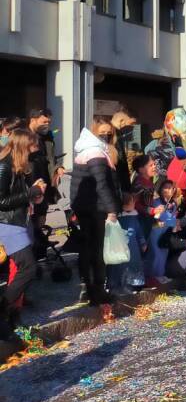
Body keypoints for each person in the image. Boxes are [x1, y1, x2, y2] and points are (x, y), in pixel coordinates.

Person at [69, 120, 122, 305]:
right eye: (102, 132)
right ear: (94, 133)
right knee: (97, 250)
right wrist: (112, 209)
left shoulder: (87, 149)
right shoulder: (96, 153)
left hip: (87, 206)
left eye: (109, 132)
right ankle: (97, 290)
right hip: (96, 207)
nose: (106, 135)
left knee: (88, 248)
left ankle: (88, 287)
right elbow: (102, 184)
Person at [0, 128, 45, 339]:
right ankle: (4, 310)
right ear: (22, 146)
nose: (34, 151)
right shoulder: (4, 166)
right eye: (31, 146)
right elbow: (2, 201)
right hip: (7, 224)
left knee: (25, 267)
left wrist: (33, 194)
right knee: (28, 267)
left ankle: (9, 313)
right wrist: (31, 192)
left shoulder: (17, 166)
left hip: (17, 222)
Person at [27, 108, 63, 259]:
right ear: (33, 119)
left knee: (41, 215)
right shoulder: (23, 135)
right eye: (44, 121)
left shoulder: (47, 136)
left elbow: (50, 157)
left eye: (49, 121)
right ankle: (31, 251)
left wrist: (57, 167)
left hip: (44, 181)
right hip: (29, 181)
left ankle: (40, 246)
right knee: (29, 218)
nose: (47, 124)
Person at [107, 191, 146, 295]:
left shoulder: (134, 216)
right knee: (119, 266)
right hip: (120, 247)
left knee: (133, 264)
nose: (134, 205)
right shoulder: (116, 218)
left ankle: (133, 284)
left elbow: (138, 230)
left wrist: (142, 242)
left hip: (132, 248)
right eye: (132, 202)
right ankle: (115, 285)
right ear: (124, 205)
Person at [146, 178, 179, 282]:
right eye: (166, 188)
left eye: (171, 188)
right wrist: (157, 221)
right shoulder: (156, 202)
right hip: (156, 231)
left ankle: (161, 273)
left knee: (164, 252)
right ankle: (153, 276)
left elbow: (173, 217)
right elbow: (153, 218)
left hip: (166, 231)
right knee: (156, 254)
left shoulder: (174, 203)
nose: (170, 190)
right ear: (160, 189)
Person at [110, 110, 137, 194]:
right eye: (129, 124)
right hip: (115, 182)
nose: (131, 128)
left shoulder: (117, 134)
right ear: (121, 121)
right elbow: (119, 161)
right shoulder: (112, 134)